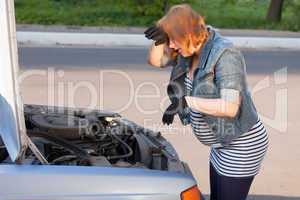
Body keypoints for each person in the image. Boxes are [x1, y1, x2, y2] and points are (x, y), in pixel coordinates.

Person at [144, 4, 269, 200]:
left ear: (188, 34)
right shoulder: (188, 49)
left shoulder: (225, 55)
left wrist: (187, 102)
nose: (172, 46)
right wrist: (159, 40)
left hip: (241, 144)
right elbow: (155, 61)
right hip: (220, 143)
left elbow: (230, 107)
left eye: (173, 40)